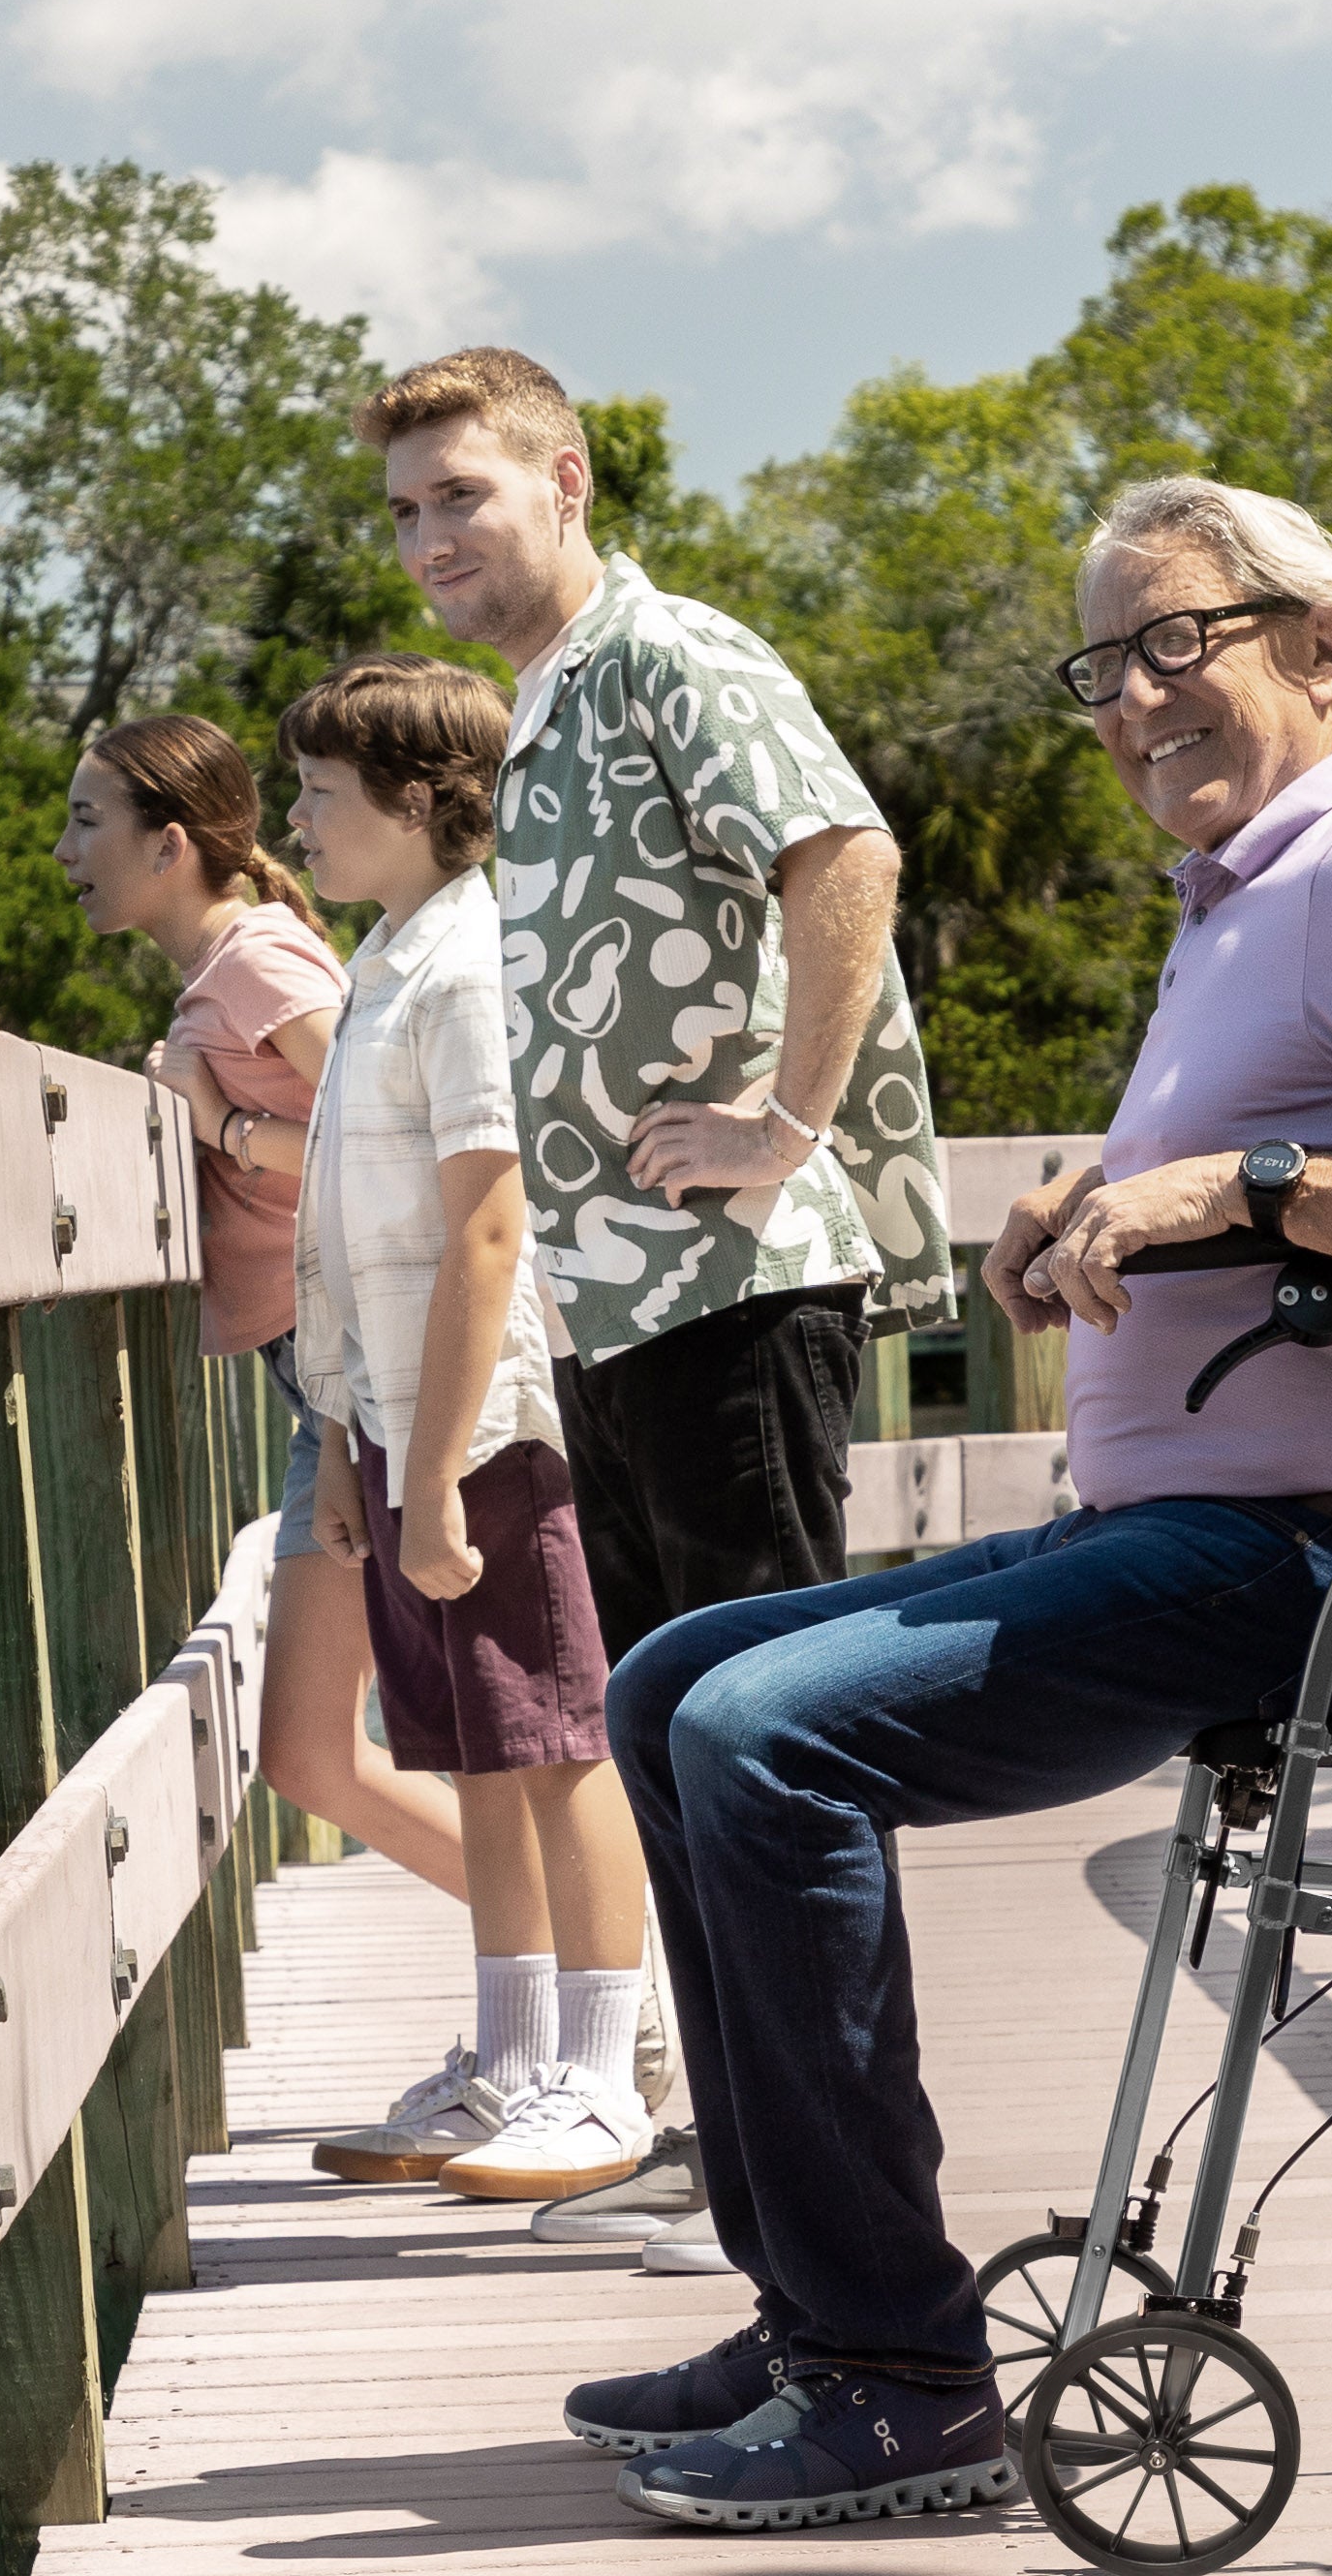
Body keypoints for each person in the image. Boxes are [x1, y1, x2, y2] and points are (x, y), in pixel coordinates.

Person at [572, 475, 1332, 2532]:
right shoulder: (1248, 897)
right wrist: (1100, 1223)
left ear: (1325, 646)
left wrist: (1234, 1192)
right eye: (1104, 664)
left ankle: (899, 2380)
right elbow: (1280, 1186)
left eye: (1182, 641)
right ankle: (819, 2305)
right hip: (1210, 1537)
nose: (1134, 698)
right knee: (667, 1684)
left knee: (761, 1736)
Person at [363, 343, 957, 2267]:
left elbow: (845, 850)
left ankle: (864, 2239)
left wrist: (792, 1116)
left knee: (776, 1765)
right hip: (608, 1313)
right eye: (405, 510)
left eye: (465, 492)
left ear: (567, 478)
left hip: (734, 1290)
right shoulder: (527, 716)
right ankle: (763, 2188)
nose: (431, 535)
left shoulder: (672, 657)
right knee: (681, 1759)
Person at [270, 655, 663, 2207]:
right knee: (474, 1748)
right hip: (394, 1423)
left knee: (560, 1741)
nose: (293, 820)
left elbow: (487, 1230)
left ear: (427, 805)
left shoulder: (471, 964)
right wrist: (358, 1445)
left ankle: (603, 2077)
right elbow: (355, 1235)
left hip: (491, 1426)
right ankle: (511, 2061)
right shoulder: (383, 961)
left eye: (318, 793)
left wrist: (433, 1467)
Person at [57, 716, 470, 1907]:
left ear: (168, 843)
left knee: (395, 1740)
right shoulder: (227, 970)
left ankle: (604, 1975)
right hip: (326, 1382)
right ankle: (601, 1961)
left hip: (370, 1369)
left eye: (88, 820)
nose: (63, 848)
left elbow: (397, 1136)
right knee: (308, 1753)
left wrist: (222, 1127)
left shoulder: (256, 962)